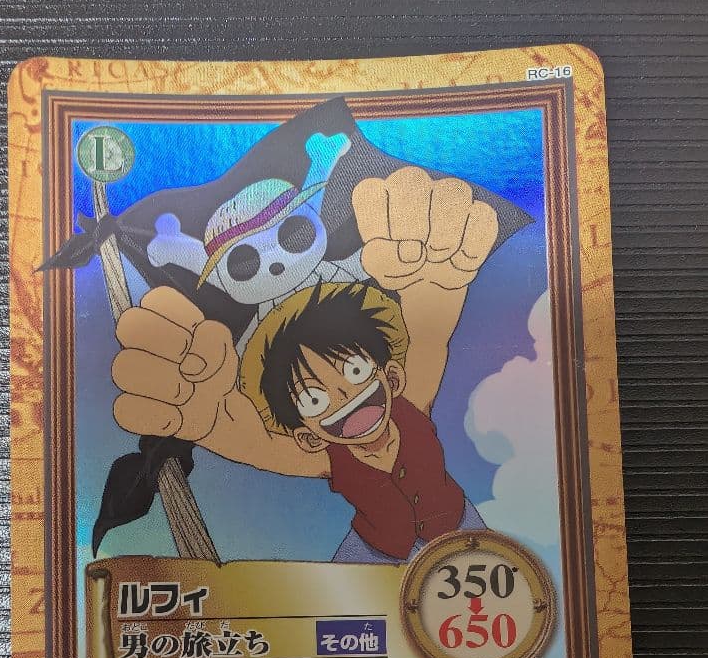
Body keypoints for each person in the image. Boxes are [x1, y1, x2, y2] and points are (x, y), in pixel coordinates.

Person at [111, 167, 498, 564]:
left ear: (393, 376)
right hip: (374, 555)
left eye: (355, 370)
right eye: (314, 399)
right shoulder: (329, 456)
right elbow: (260, 444)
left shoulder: (410, 404)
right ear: (308, 436)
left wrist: (437, 287)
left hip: (460, 531)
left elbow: (428, 343)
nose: (344, 394)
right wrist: (215, 421)